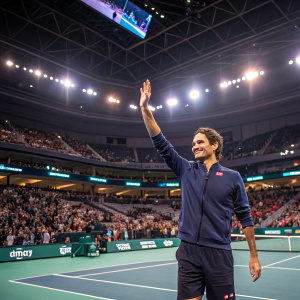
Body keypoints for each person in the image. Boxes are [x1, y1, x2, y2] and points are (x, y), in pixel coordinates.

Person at [140, 79, 261, 300]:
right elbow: (160, 141)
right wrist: (145, 109)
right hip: (188, 252)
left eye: (200, 142)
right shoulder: (185, 169)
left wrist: (254, 256)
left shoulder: (233, 178)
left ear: (214, 145)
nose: (195, 145)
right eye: (193, 143)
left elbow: (246, 218)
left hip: (219, 254)